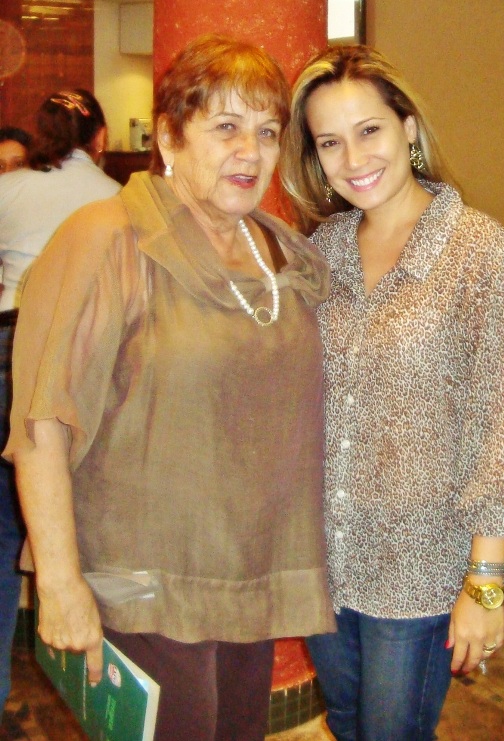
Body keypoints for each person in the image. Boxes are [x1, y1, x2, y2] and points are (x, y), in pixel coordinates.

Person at [4, 34, 335, 741]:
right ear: (168, 137)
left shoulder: (275, 247)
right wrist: (59, 583)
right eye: (226, 127)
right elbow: (41, 423)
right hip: (142, 577)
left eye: (267, 131)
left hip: (246, 571)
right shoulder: (108, 237)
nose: (250, 151)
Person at [280, 45, 504, 741]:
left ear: (408, 127)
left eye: (369, 130)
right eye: (329, 142)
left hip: (418, 566)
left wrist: (484, 582)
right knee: (346, 720)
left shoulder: (479, 252)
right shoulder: (325, 249)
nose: (352, 159)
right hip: (326, 554)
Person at [0, 91, 119, 719]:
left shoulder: (9, 191)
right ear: (100, 138)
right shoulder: (117, 199)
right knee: (76, 523)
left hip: (5, 345)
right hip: (81, 368)